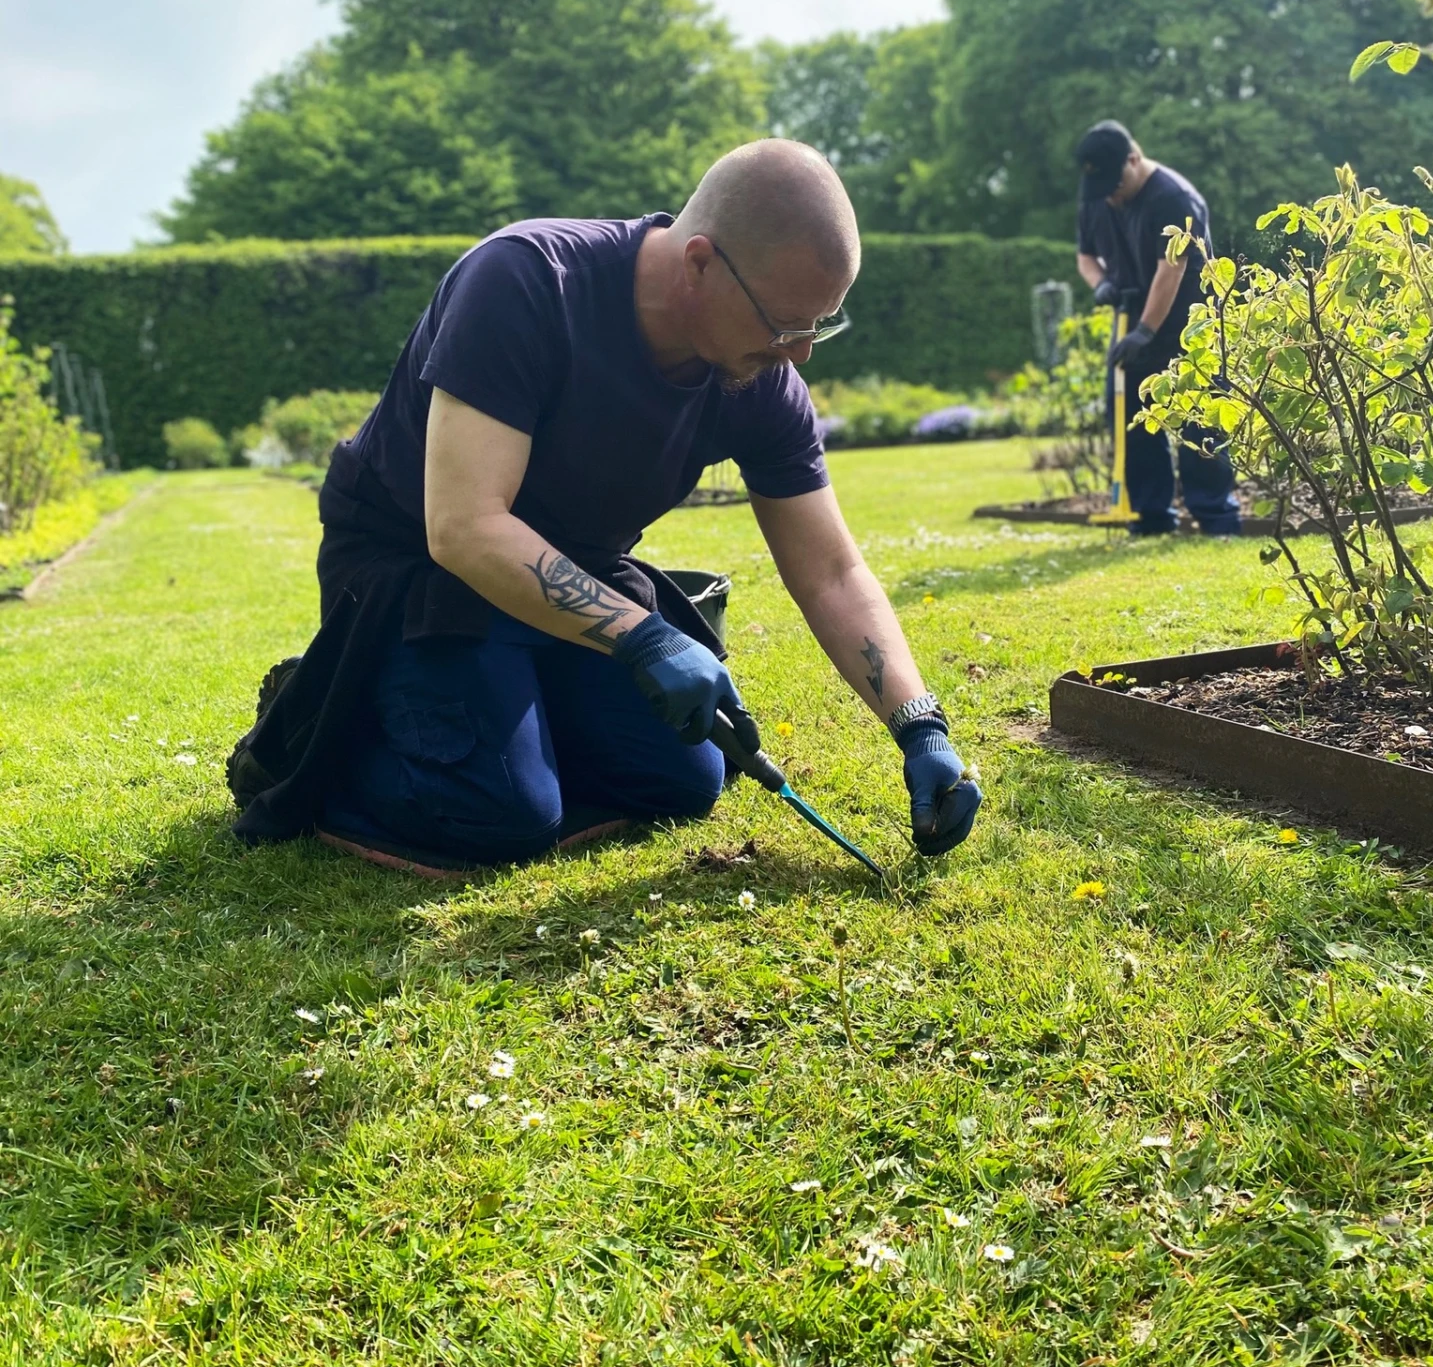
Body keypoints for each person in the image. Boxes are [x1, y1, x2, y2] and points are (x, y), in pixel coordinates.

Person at [228, 140, 982, 878]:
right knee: (500, 820)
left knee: (683, 782)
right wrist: (643, 639)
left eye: (819, 324)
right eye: (784, 324)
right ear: (698, 263)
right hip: (420, 573)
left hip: (569, 575)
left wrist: (919, 724)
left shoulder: (757, 377)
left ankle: (508, 733)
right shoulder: (526, 282)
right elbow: (464, 526)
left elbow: (832, 571)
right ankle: (316, 721)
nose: (802, 353)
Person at [1075, 120, 1240, 537]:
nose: (1110, 197)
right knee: (1134, 422)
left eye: (1117, 185)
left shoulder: (1173, 197)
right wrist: (1103, 284)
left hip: (1189, 327)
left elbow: (1173, 267)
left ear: (1134, 158)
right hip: (1132, 321)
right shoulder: (1098, 191)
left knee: (1200, 419)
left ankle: (1217, 519)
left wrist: (1146, 330)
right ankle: (1151, 520)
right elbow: (1085, 257)